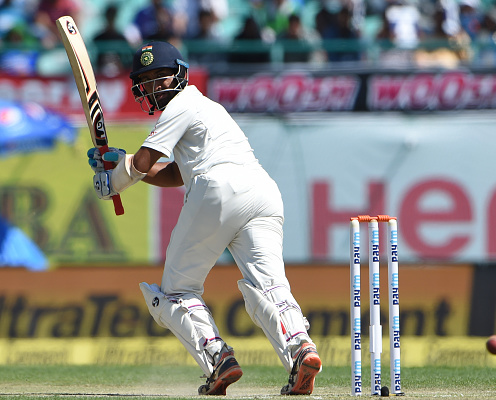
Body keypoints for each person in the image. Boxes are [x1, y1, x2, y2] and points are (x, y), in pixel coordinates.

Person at [87, 41, 322, 396]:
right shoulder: (207, 105)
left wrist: (113, 178)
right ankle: (301, 349)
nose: (154, 85)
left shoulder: (179, 106)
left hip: (218, 190)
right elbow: (173, 173)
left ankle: (217, 358)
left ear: (178, 75)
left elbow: (142, 165)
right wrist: (123, 160)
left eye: (159, 77)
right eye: (146, 78)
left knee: (175, 291)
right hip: (263, 192)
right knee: (269, 285)